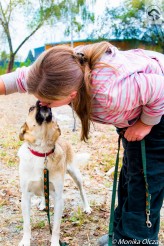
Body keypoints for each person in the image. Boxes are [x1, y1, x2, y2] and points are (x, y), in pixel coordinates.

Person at [0, 41, 164, 245]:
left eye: (48, 103)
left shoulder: (109, 93)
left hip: (157, 112)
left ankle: (137, 240)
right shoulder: (60, 73)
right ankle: (121, 236)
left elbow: (160, 88)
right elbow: (18, 80)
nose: (42, 105)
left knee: (144, 182)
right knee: (131, 175)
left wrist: (145, 124)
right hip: (136, 113)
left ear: (71, 95)